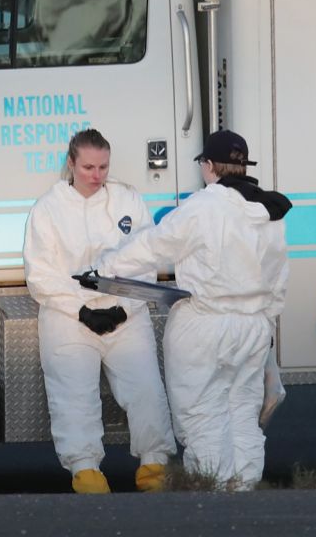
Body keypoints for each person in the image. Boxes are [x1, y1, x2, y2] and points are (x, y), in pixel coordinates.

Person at [97, 130, 289, 490]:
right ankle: (244, 494)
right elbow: (279, 278)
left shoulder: (203, 206)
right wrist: (266, 324)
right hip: (252, 328)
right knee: (243, 416)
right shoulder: (271, 212)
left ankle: (214, 500)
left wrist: (108, 267)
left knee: (203, 417)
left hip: (203, 326)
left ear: (210, 165)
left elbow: (155, 245)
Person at [23, 129, 175, 493]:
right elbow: (41, 275)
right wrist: (82, 310)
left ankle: (154, 464)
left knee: (146, 389)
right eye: (88, 166)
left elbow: (145, 260)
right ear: (71, 163)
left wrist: (124, 307)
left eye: (103, 166)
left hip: (125, 315)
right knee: (73, 395)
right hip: (68, 319)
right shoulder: (48, 208)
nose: (96, 174)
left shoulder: (128, 200)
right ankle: (85, 470)